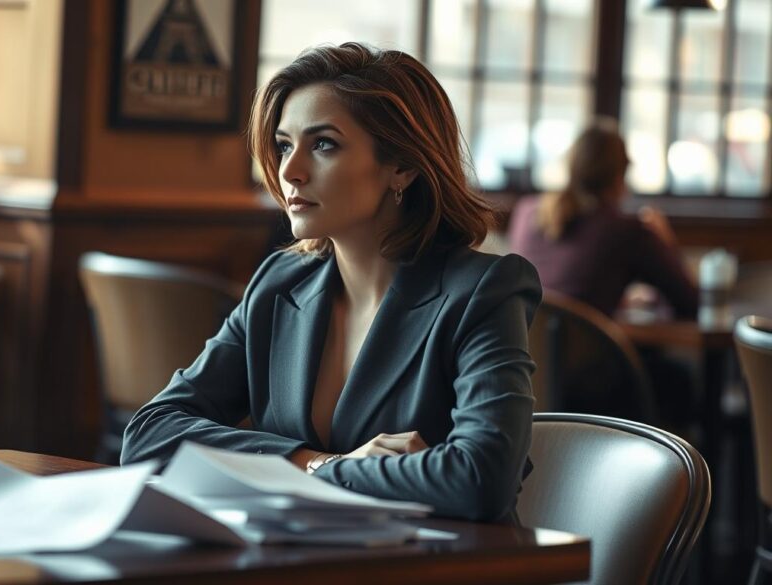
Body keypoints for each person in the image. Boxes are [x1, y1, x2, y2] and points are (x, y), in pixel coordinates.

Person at [121, 43, 542, 522]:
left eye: (323, 144)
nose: (289, 171)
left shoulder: (483, 290)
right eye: (284, 145)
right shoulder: (279, 284)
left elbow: (482, 478)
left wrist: (312, 473)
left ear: (402, 166)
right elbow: (149, 435)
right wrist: (315, 464)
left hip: (439, 558)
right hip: (294, 552)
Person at [507, 118, 698, 319]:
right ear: (620, 176)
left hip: (523, 338)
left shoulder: (526, 211)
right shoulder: (628, 232)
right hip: (586, 340)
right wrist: (666, 241)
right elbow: (690, 302)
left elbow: (562, 289)